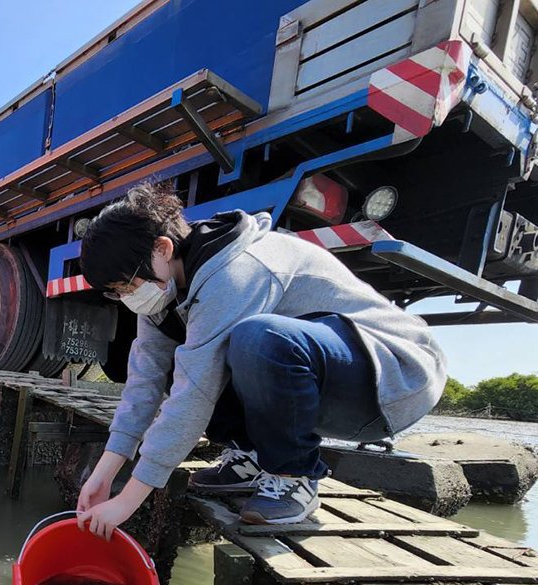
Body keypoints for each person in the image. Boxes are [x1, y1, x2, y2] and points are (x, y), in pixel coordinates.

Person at [75, 183, 447, 531]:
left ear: (162, 249)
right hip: (329, 383)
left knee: (258, 338)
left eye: (128, 285)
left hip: (393, 384)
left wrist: (129, 500)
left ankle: (294, 477)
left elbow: (194, 395)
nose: (127, 297)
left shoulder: (238, 272)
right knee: (188, 356)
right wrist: (104, 473)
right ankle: (251, 456)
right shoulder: (164, 293)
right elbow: (145, 381)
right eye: (117, 292)